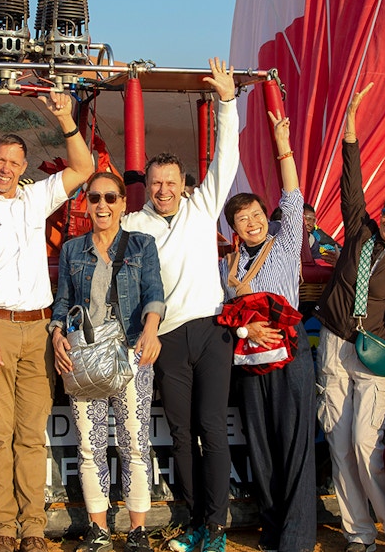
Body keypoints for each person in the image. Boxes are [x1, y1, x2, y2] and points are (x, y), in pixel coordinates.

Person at [0, 90, 94, 552]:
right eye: (0, 160)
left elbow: (84, 168)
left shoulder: (36, 199)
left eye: (15, 162)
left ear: (24, 167)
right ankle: (4, 530)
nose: (7, 168)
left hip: (38, 329)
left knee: (31, 434)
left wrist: (66, 120)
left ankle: (33, 527)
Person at [121, 57, 240, 552]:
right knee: (180, 430)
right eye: (157, 183)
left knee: (212, 427)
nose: (165, 190)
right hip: (166, 339)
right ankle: (194, 518)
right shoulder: (133, 226)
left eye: (172, 182)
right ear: (147, 186)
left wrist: (227, 103)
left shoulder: (201, 207)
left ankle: (217, 525)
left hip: (211, 331)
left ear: (185, 185)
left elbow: (226, 160)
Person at [314, 83, 385, 552]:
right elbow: (351, 179)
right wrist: (351, 126)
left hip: (375, 354)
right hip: (335, 345)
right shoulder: (360, 228)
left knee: (366, 446)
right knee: (339, 449)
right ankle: (359, 534)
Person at [48, 171, 165, 552]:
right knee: (90, 443)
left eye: (110, 198)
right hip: (83, 356)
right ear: (86, 202)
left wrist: (151, 330)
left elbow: (153, 291)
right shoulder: (71, 249)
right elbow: (63, 303)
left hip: (130, 352)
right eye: (95, 198)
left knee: (134, 441)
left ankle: (137, 530)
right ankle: (98, 529)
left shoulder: (142, 245)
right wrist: (57, 335)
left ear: (123, 203)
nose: (102, 205)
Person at [219, 111, 316, 552]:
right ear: (233, 229)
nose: (253, 222)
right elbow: (224, 311)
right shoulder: (229, 266)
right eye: (243, 219)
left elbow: (293, 197)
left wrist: (284, 146)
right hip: (251, 362)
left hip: (291, 355)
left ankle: (296, 539)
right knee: (261, 445)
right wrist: (246, 331)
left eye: (257, 214)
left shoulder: (285, 241)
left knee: (295, 444)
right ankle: (274, 529)